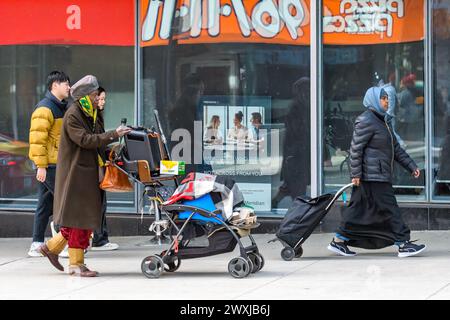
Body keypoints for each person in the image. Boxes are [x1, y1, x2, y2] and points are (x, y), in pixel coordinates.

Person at [38, 75, 131, 277]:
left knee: (79, 218)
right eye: (95, 95)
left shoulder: (92, 113)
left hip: (88, 172)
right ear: (85, 97)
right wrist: (114, 134)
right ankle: (76, 265)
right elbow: (86, 140)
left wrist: (114, 147)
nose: (98, 98)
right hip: (76, 174)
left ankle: (51, 248)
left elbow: (97, 142)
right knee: (81, 219)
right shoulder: (74, 114)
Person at [327, 87, 426, 258]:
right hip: (371, 177)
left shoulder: (383, 121)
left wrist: (412, 166)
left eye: (387, 98)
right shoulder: (366, 120)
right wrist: (356, 175)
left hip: (376, 175)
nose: (387, 101)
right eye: (383, 98)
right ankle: (403, 244)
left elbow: (396, 149)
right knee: (390, 208)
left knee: (356, 209)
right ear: (373, 100)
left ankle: (338, 241)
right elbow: (356, 150)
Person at [28, 71, 70, 257]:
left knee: (45, 204)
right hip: (51, 165)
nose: (69, 87)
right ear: (55, 85)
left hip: (57, 163)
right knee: (64, 202)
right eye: (66, 84)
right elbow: (37, 140)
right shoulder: (45, 109)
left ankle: (37, 243)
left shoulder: (61, 106)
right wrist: (41, 166)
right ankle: (58, 244)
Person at [272, 77, 310, 207]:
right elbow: (298, 133)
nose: (308, 93)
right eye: (305, 90)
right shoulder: (296, 108)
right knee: (298, 189)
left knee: (290, 186)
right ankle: (297, 215)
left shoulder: (302, 106)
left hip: (297, 154)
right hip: (296, 155)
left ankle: (275, 202)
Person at [91, 87, 120, 251]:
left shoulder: (97, 116)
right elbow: (94, 140)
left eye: (104, 99)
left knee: (101, 202)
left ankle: (100, 238)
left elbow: (99, 141)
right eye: (100, 99)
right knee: (97, 202)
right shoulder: (89, 117)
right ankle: (98, 238)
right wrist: (113, 135)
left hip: (99, 162)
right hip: (93, 165)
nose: (102, 102)